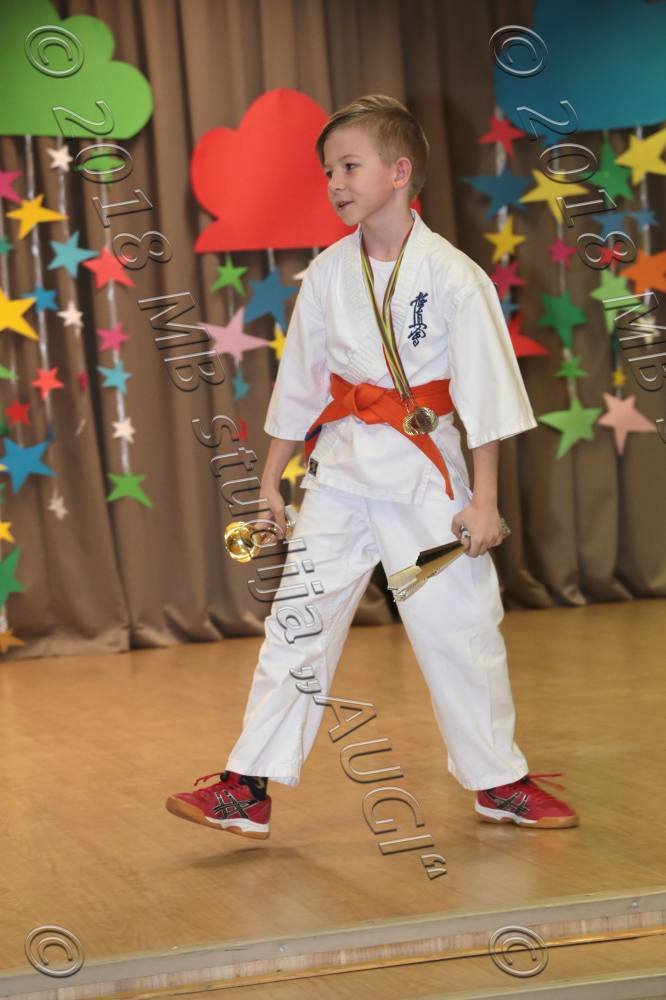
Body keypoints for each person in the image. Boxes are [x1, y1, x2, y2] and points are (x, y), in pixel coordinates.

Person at [166, 95, 577, 839]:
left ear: (399, 171)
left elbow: (485, 398)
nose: (336, 183)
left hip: (425, 478)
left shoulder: (454, 276)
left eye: (350, 167)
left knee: (460, 630)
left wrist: (484, 501)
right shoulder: (327, 273)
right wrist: (271, 482)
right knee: (297, 623)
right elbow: (300, 388)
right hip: (339, 475)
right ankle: (248, 786)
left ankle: (498, 781)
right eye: (329, 171)